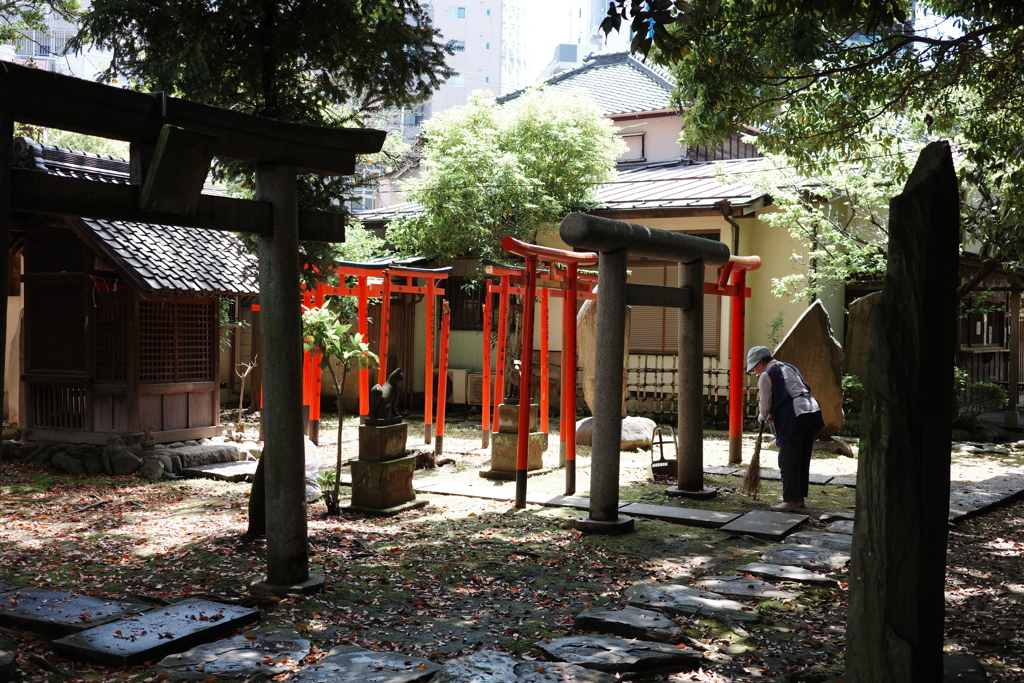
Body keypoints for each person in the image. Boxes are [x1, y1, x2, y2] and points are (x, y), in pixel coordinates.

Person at [746, 345, 824, 511]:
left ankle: (790, 501)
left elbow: (765, 405)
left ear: (761, 362)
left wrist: (761, 417)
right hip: (812, 410)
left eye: (754, 367)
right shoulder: (788, 367)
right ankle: (797, 497)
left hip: (795, 413)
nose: (754, 371)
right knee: (801, 456)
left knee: (787, 459)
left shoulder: (766, 374)